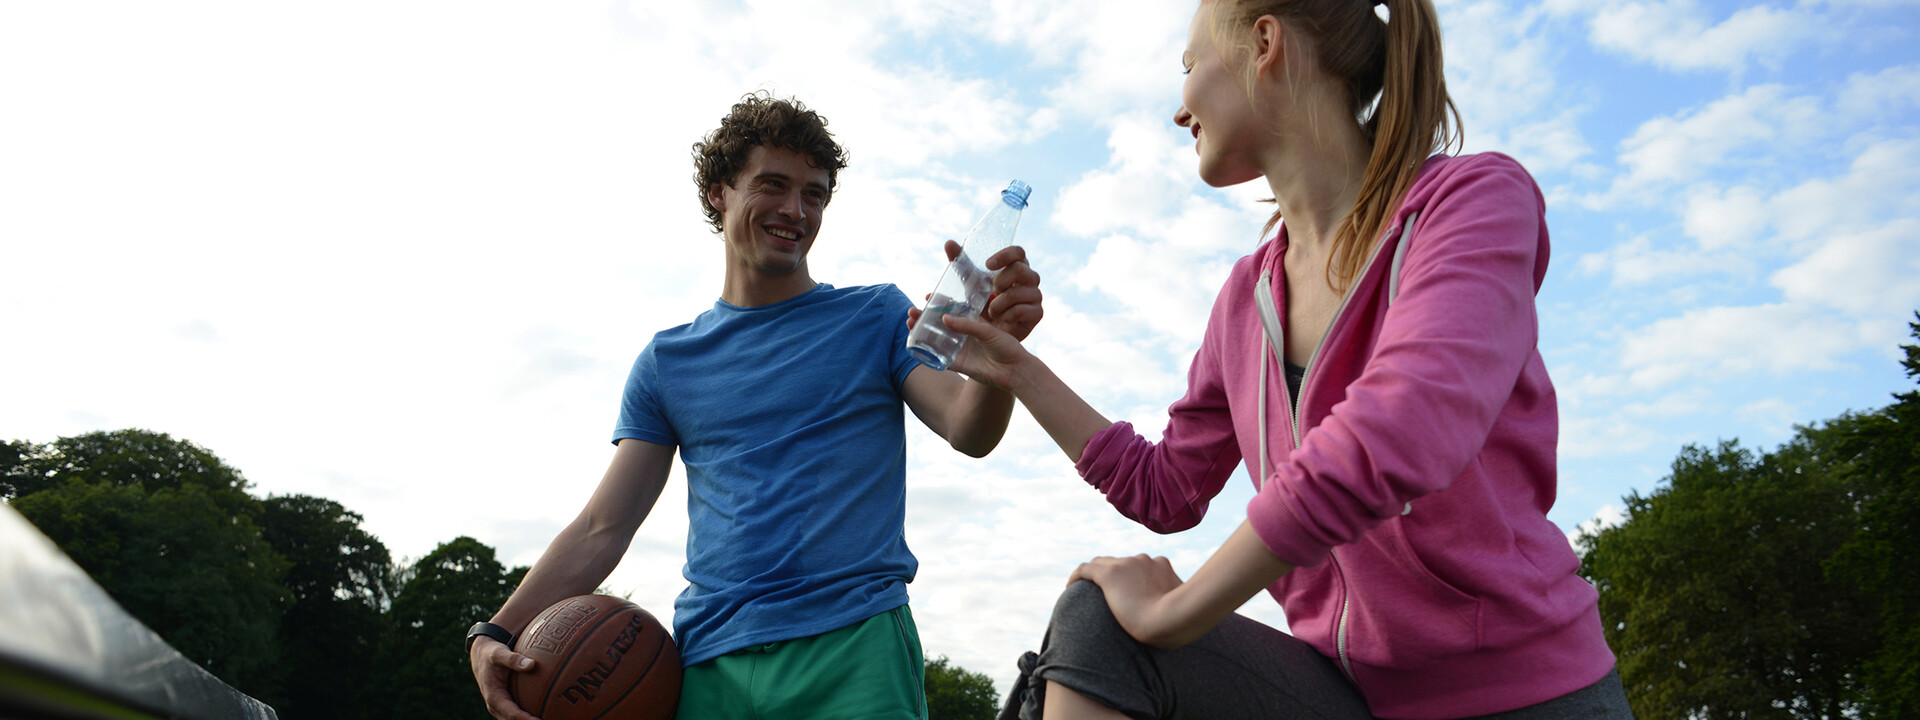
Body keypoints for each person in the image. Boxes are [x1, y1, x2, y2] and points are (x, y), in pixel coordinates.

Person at [924, 0, 1633, 717]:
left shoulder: (1469, 201)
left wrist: (1178, 612)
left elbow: (1403, 428)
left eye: (1189, 66)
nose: (1179, 109)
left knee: (1135, 622)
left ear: (1264, 43)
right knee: (1097, 616)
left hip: (1521, 694)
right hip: (1342, 694)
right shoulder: (1245, 297)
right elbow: (1168, 489)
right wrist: (1015, 367)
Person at [465, 91, 1044, 720]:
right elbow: (604, 526)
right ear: (720, 191)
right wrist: (493, 633)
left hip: (855, 647)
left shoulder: (875, 315)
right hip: (709, 662)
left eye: (815, 194)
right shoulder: (667, 362)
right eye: (774, 184)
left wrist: (997, 363)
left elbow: (968, 429)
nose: (796, 210)